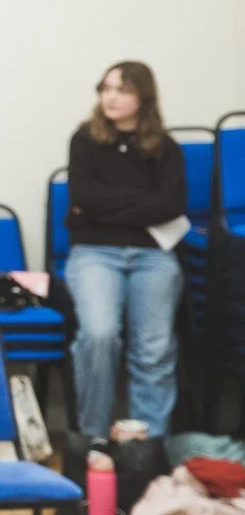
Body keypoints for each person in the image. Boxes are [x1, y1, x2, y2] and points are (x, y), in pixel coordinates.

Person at [64, 61, 186, 442]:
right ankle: (95, 439)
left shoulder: (166, 148)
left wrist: (104, 205)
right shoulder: (85, 139)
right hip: (95, 252)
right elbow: (83, 196)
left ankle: (147, 445)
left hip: (153, 255)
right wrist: (141, 203)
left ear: (143, 97)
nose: (110, 97)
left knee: (154, 347)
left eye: (122, 89)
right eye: (105, 88)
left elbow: (171, 205)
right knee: (99, 336)